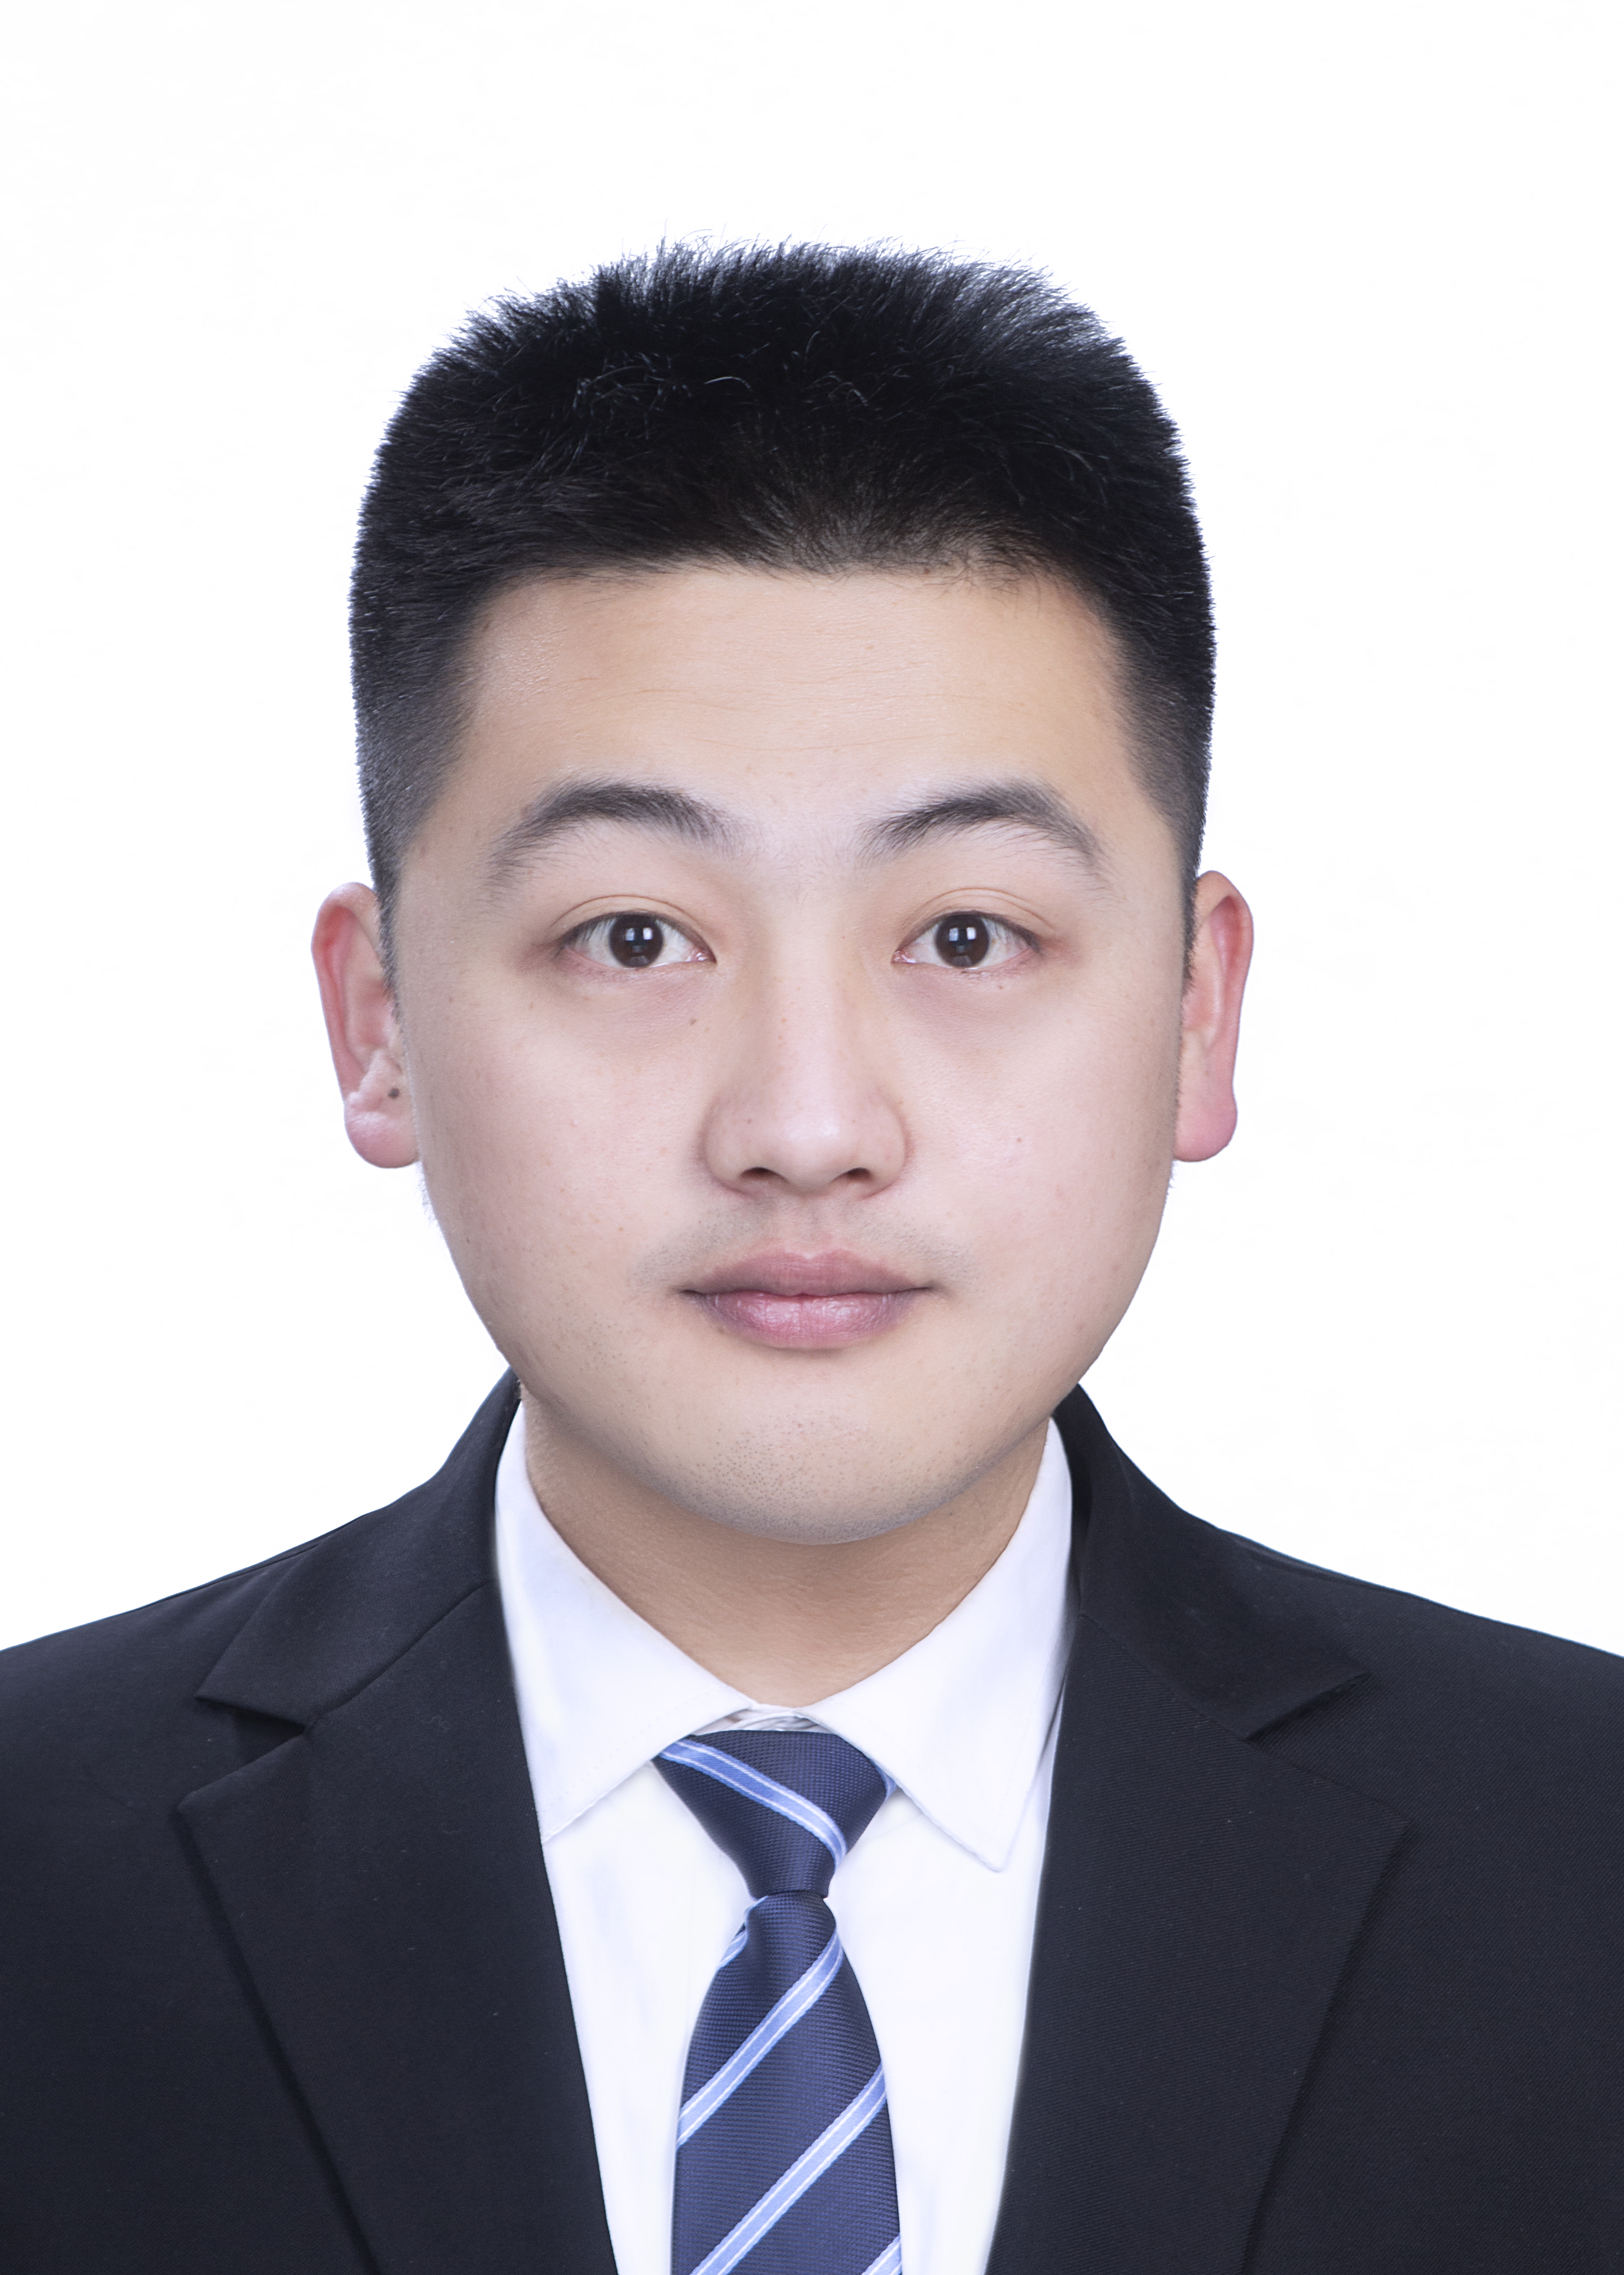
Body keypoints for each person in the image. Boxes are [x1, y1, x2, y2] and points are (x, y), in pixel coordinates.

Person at [2, 244, 1619, 2275]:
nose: (805, 1119)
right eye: (632, 937)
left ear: (1196, 1013)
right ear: (379, 1019)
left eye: (966, 935)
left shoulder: (1581, 1870)